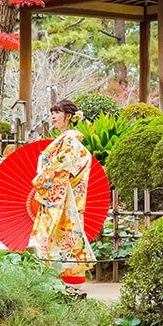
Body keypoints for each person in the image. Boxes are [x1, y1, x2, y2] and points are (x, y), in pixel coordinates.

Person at [31, 99, 96, 284]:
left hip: (62, 197)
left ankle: (63, 276)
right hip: (59, 196)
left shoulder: (70, 139)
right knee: (58, 235)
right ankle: (59, 274)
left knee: (62, 233)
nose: (53, 116)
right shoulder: (65, 139)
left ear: (68, 116)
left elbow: (64, 166)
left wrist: (43, 176)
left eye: (57, 113)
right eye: (52, 112)